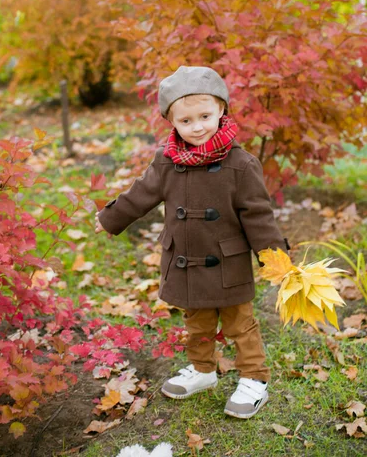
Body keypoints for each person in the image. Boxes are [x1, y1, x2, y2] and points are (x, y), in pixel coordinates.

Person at [95, 66, 290, 419]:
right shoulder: (168, 162)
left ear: (221, 111)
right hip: (185, 259)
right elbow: (142, 194)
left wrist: (275, 257)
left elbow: (258, 215)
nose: (197, 126)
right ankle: (203, 371)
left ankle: (254, 380)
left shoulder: (242, 164)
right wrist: (111, 217)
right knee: (197, 321)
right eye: (186, 121)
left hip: (226, 262)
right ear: (172, 122)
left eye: (205, 116)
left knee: (239, 324)